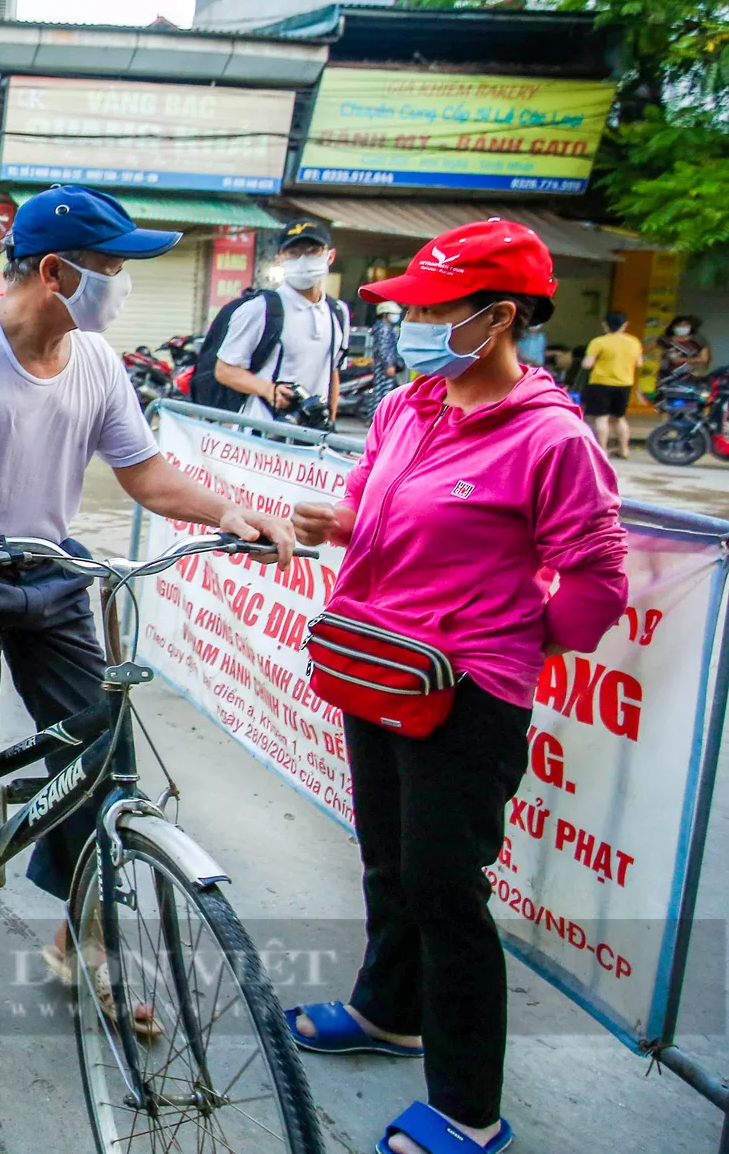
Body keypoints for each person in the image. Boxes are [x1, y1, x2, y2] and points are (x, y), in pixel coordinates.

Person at [0, 184, 295, 1025]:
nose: (121, 285)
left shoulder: (95, 361)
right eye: (110, 268)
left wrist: (226, 510)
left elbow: (146, 473)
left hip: (48, 570)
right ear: (54, 271)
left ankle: (80, 928)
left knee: (99, 751)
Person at [285, 219, 626, 1154]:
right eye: (413, 310)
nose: (415, 327)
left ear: (499, 316)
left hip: (466, 692)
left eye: (435, 310)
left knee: (444, 887)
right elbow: (373, 508)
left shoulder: (553, 439)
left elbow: (595, 585)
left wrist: (500, 643)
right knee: (388, 857)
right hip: (378, 663)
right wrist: (337, 520)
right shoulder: (406, 406)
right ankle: (388, 1013)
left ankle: (470, 1108)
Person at [214, 218, 347, 424]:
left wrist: (330, 422)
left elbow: (332, 371)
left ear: (330, 256)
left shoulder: (338, 312)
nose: (303, 260)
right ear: (279, 259)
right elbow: (224, 370)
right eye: (293, 253)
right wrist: (268, 389)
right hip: (262, 432)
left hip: (312, 435)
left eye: (313, 251)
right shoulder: (260, 309)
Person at [581, 310, 642, 459]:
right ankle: (624, 450)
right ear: (625, 325)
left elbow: (587, 364)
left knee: (601, 418)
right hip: (625, 384)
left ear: (605, 325)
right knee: (618, 418)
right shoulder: (634, 342)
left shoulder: (599, 342)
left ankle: (601, 451)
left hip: (601, 384)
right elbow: (639, 363)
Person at [369, 299, 404, 416]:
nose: (395, 317)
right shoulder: (383, 329)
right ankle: (378, 416)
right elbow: (384, 349)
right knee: (383, 392)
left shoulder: (385, 328)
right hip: (384, 366)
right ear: (385, 314)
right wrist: (389, 365)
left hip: (383, 364)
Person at [658, 314, 711, 381]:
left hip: (687, 375)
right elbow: (652, 348)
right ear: (673, 327)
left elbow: (704, 359)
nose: (682, 327)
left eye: (685, 325)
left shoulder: (698, 340)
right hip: (664, 374)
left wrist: (683, 359)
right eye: (679, 325)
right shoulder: (665, 339)